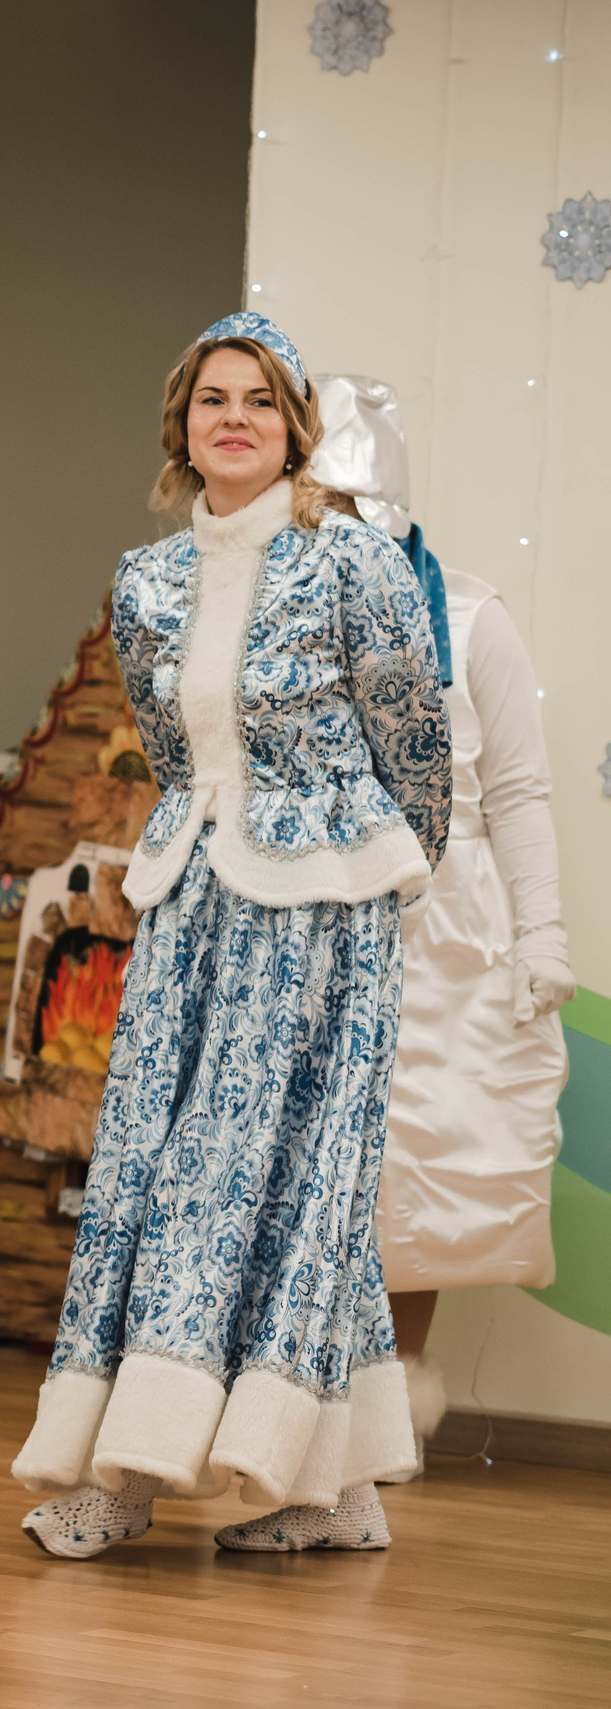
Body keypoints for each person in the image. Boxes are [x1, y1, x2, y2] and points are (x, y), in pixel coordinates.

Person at [11, 315, 451, 1558]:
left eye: (260, 400)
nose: (235, 419)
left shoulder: (353, 562)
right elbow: (169, 741)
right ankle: (336, 1483)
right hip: (197, 895)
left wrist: (384, 877)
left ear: (293, 426)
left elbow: (412, 733)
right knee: (163, 1157)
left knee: (271, 1171)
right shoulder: (146, 580)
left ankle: (137, 1476)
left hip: (325, 910)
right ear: (182, 424)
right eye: (214, 400)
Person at [282, 377, 571, 1500]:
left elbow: (520, 793)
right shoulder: (277, 615)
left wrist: (540, 934)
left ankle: (390, 1394)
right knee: (310, 1172)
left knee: (420, 1176)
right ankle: (285, 1403)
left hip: (441, 934)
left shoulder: (474, 617)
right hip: (309, 917)